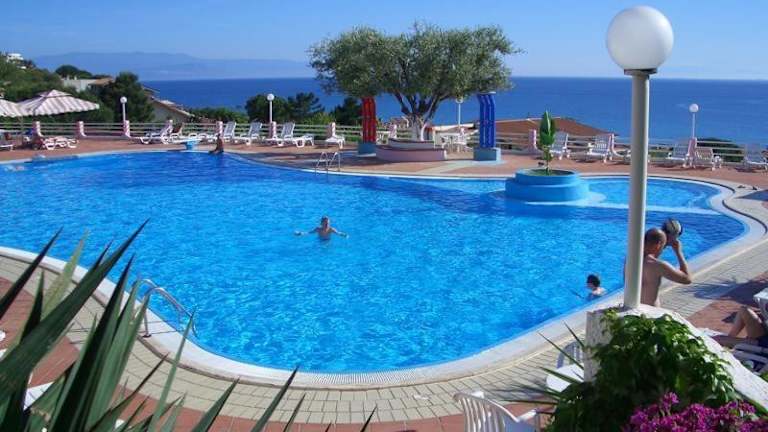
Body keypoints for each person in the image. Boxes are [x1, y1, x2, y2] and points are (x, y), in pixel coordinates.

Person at [640, 228, 692, 307]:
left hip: (632, 309)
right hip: (650, 311)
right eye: (663, 247)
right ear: (658, 245)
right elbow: (687, 279)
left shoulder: (631, 259)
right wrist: (678, 252)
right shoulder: (658, 265)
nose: (662, 250)